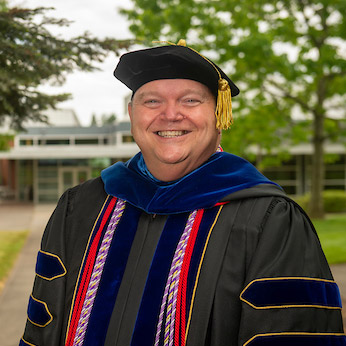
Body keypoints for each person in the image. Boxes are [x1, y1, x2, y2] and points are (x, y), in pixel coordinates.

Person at [20, 40, 345, 346]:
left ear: (219, 116)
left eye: (190, 100)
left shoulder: (269, 220)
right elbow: (41, 327)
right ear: (133, 116)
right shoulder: (80, 206)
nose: (170, 114)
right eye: (152, 101)